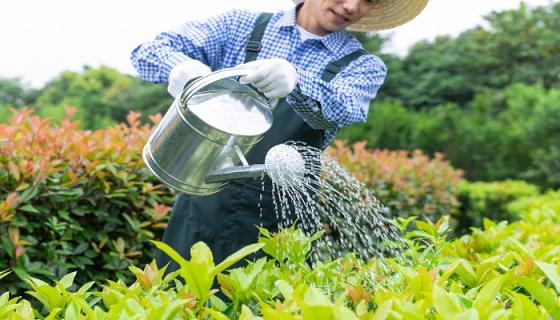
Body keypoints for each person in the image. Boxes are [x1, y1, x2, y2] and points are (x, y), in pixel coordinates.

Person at [131, 0, 430, 272]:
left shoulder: (362, 66)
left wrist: (298, 80)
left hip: (284, 214)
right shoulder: (241, 27)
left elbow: (345, 108)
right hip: (205, 197)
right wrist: (180, 68)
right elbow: (148, 51)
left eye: (367, 0)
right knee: (180, 298)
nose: (352, 6)